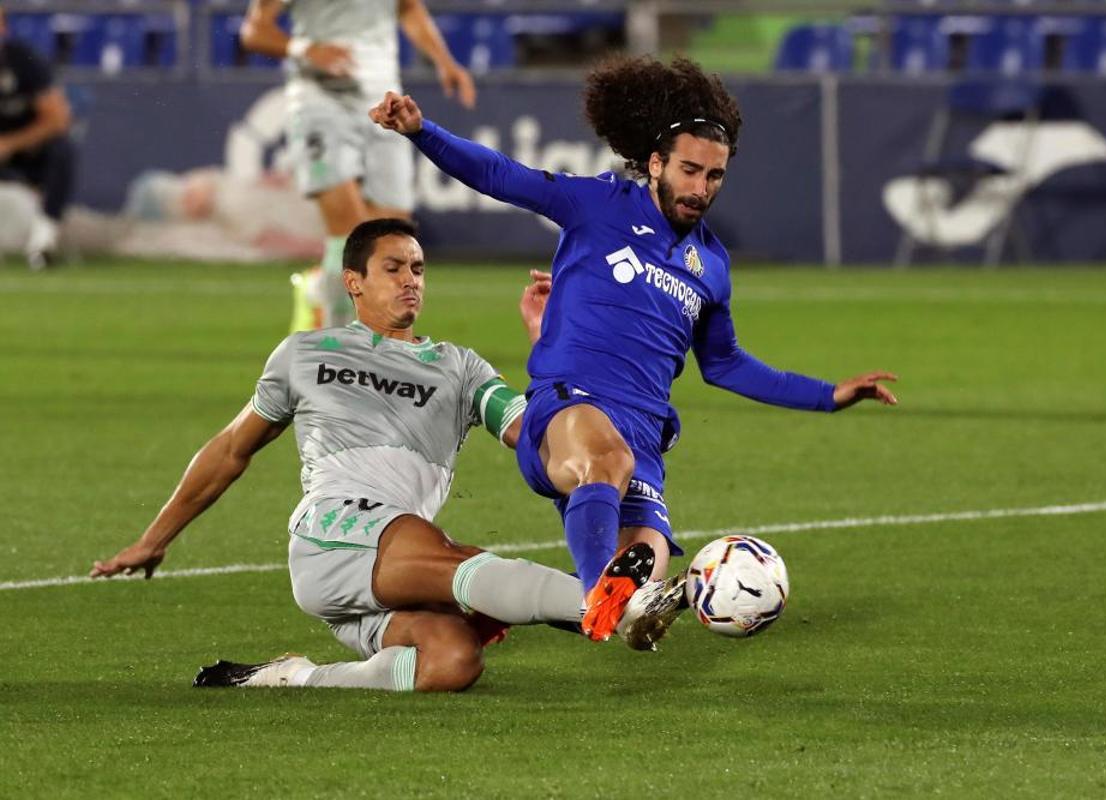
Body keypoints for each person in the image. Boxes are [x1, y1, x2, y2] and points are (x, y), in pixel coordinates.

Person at [367, 55, 900, 645]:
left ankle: (528, 603)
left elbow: (724, 364)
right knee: (606, 469)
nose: (701, 189)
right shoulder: (598, 204)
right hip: (569, 406)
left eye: (715, 176)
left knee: (648, 559)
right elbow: (501, 174)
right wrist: (421, 131)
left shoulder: (713, 266)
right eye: (690, 171)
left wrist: (828, 395)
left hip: (644, 433)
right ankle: (599, 596)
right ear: (655, 164)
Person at [91, 218, 596, 693]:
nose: (410, 281)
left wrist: (549, 342)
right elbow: (229, 449)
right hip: (333, 530)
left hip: (390, 564)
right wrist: (153, 540)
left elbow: (538, 433)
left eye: (417, 269)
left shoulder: (459, 367)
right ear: (353, 282)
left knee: (453, 660)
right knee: (459, 561)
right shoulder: (304, 353)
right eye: (393, 269)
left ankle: (294, 677)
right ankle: (612, 602)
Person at [240, 0, 476, 331]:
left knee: (392, 237)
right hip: (320, 102)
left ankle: (322, 291)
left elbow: (408, 8)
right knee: (349, 235)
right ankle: (336, 352)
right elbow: (253, 30)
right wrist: (307, 49)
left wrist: (444, 61)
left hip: (384, 104)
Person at [0, 3, 74, 269]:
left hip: (24, 151)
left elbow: (58, 118)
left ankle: (43, 241)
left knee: (62, 150)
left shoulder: (23, 60)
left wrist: (11, 143)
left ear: (3, 27)